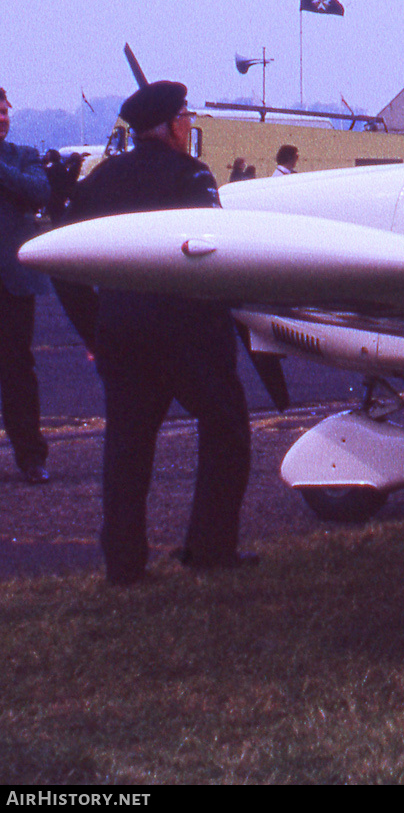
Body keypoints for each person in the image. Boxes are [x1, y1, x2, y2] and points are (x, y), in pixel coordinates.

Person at [69, 81, 256, 585]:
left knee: (127, 448)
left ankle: (124, 564)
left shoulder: (101, 180)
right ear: (173, 125)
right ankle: (211, 547)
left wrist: (94, 330)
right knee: (227, 432)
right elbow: (216, 251)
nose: (189, 124)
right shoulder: (192, 175)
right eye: (186, 116)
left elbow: (63, 256)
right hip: (190, 334)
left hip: (123, 334)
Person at [0, 87, 52, 484]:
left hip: (13, 282)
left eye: (4, 112)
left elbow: (40, 191)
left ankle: (31, 458)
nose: (2, 118)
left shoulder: (24, 156)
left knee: (17, 369)